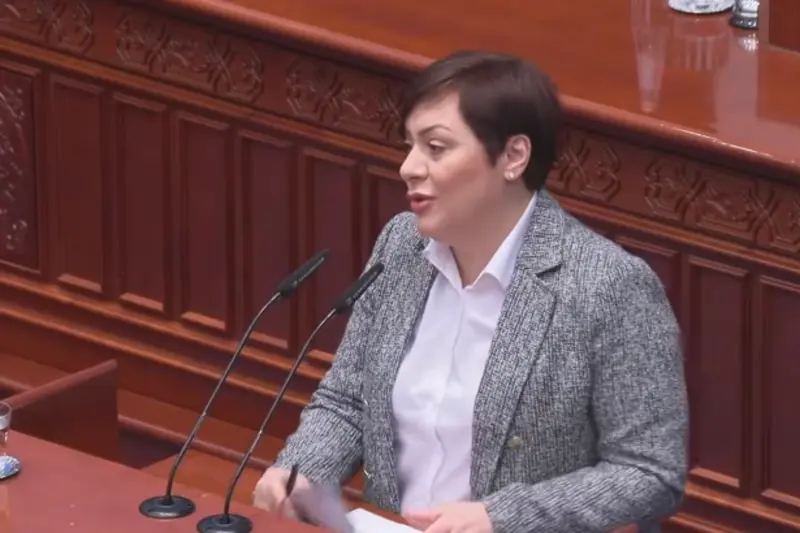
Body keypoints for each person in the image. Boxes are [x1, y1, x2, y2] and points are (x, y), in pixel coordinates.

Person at [253, 50, 689, 533]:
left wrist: (501, 518)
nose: (408, 168)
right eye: (410, 146)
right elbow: (349, 400)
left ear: (513, 157)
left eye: (436, 148)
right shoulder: (401, 245)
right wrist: (302, 471)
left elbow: (650, 472)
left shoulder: (607, 286)